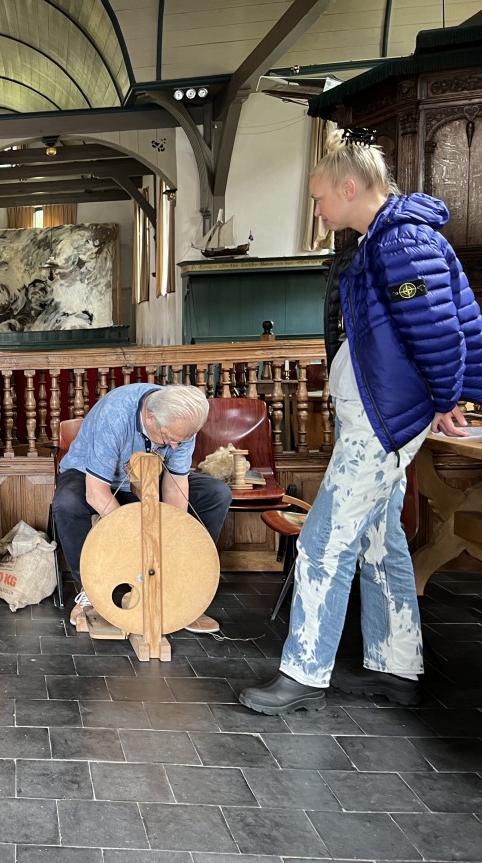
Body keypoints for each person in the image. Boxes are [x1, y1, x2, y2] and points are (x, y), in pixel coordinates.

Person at [239, 130, 482, 715]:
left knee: (324, 541)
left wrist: (449, 396)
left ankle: (303, 673)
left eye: (321, 198)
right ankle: (396, 666)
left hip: (386, 422)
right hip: (382, 416)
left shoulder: (401, 245)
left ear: (350, 188)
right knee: (380, 539)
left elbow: (440, 331)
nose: (318, 210)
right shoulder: (385, 240)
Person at [51, 383, 231, 633]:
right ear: (150, 417)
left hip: (147, 476)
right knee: (67, 503)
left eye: (183, 440)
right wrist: (136, 541)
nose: (175, 446)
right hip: (92, 475)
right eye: (169, 438)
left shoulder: (182, 421)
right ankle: (93, 590)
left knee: (216, 493)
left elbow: (174, 485)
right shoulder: (115, 414)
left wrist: (169, 540)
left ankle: (180, 587)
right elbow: (96, 493)